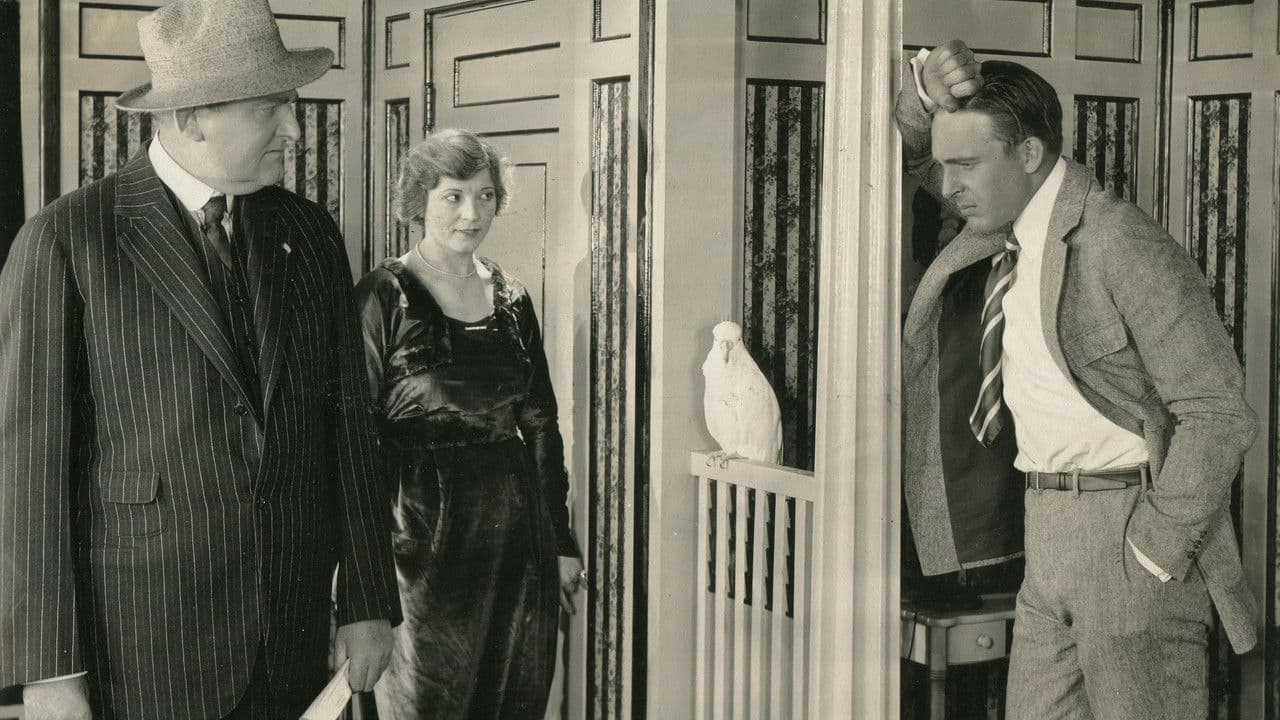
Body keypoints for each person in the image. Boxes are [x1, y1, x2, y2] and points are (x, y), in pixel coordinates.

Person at [0, 1, 401, 717]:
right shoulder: (67, 240)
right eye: (270, 109)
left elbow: (349, 425)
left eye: (291, 105)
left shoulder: (310, 233)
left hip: (290, 642)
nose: (295, 129)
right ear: (190, 119)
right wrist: (50, 671)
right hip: (143, 656)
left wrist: (369, 598)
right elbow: (29, 476)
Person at [898, 41, 1258, 719]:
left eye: (965, 165)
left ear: (1029, 153)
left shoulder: (1121, 242)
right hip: (1045, 532)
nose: (947, 185)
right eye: (947, 166)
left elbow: (1219, 412)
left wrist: (1153, 549)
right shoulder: (1001, 226)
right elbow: (919, 153)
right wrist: (925, 94)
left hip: (1128, 532)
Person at [355, 129, 585, 719]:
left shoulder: (512, 298)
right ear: (419, 199)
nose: (472, 214)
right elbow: (353, 439)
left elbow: (540, 423)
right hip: (417, 548)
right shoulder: (383, 296)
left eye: (485, 196)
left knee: (513, 699)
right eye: (453, 196)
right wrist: (356, 573)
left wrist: (559, 541)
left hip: (514, 542)